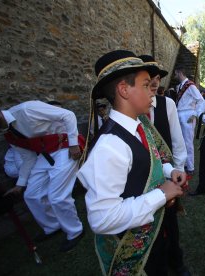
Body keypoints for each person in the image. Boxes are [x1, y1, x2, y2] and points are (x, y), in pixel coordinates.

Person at [77, 50, 186, 275]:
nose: (152, 94)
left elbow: (150, 160)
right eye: (146, 85)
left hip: (153, 237)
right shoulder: (110, 146)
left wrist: (169, 170)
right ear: (124, 90)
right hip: (134, 252)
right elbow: (102, 218)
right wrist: (161, 195)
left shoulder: (137, 126)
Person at [0, 100, 84, 252]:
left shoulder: (26, 110)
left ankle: (75, 231)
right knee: (31, 195)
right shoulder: (9, 134)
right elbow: (28, 158)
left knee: (57, 196)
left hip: (64, 147)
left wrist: (73, 144)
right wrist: (20, 185)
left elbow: (68, 115)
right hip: (43, 156)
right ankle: (53, 226)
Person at [138, 54, 190, 276]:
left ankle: (176, 262)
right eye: (150, 76)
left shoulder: (167, 103)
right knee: (147, 225)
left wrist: (177, 171)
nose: (156, 80)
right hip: (144, 178)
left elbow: (177, 142)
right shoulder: (134, 109)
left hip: (168, 174)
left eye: (158, 76)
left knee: (170, 223)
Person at [174, 66, 204, 175]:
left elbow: (201, 100)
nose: (175, 75)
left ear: (180, 72)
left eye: (176, 73)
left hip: (188, 114)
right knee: (180, 141)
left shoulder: (190, 86)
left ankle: (190, 167)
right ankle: (184, 164)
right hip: (179, 113)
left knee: (188, 142)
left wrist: (195, 114)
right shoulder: (179, 86)